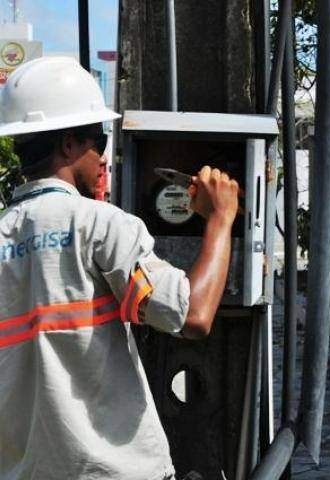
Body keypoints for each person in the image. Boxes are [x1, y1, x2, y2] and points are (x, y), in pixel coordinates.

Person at [0, 56, 238, 479]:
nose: (102, 158)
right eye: (100, 141)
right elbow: (193, 315)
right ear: (69, 145)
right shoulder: (100, 225)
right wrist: (220, 219)